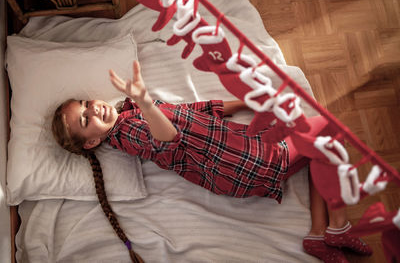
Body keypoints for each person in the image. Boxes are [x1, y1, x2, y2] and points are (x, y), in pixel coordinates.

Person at [52, 60, 372, 263]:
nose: (93, 110)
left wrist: (246, 101)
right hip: (242, 160)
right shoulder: (128, 135)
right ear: (92, 141)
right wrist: (147, 103)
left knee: (318, 150)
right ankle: (336, 227)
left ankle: (320, 234)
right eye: (85, 120)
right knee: (329, 131)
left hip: (241, 150)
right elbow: (168, 137)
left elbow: (191, 111)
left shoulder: (128, 112)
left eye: (85, 105)